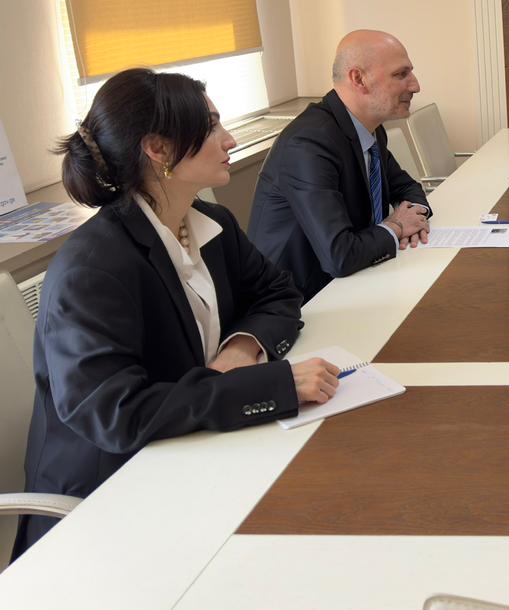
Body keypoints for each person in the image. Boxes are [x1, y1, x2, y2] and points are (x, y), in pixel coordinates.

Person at [14, 69, 339, 559]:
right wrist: (270, 386)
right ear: (158, 149)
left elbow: (278, 293)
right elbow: (116, 415)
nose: (229, 140)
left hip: (189, 453)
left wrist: (241, 349)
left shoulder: (210, 223)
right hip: (109, 499)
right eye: (211, 127)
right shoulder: (93, 268)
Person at [249, 30, 431, 301]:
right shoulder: (308, 143)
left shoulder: (369, 127)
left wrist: (413, 217)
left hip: (356, 281)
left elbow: (406, 187)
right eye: (401, 74)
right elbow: (340, 255)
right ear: (358, 79)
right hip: (300, 301)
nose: (415, 86)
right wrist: (396, 228)